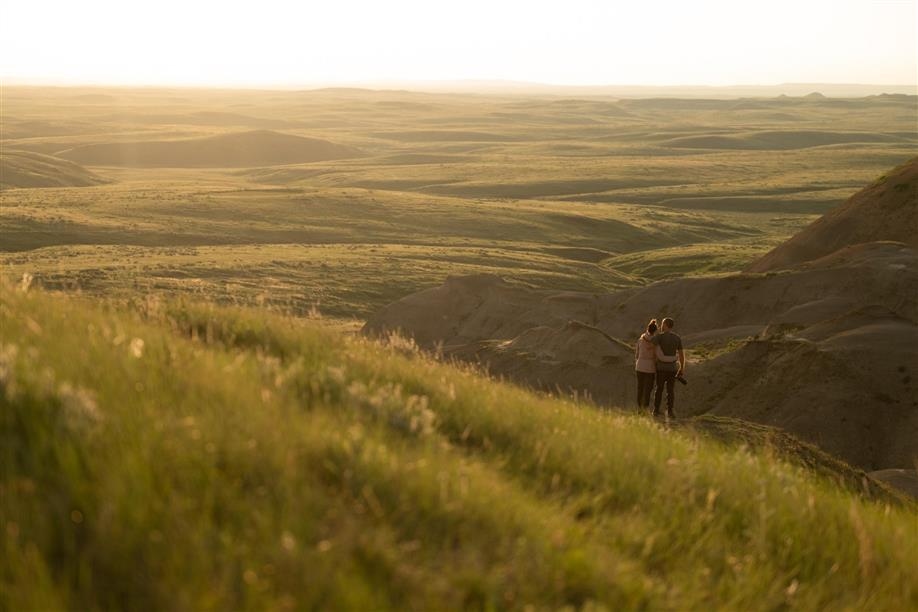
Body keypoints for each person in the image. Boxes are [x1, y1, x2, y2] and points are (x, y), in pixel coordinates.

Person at [651, 317, 685, 419]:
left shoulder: (659, 337)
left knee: (659, 389)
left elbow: (652, 347)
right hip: (672, 369)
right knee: (670, 390)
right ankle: (670, 411)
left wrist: (655, 360)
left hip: (661, 368)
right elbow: (681, 354)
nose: (661, 326)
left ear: (665, 325)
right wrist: (682, 368)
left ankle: (656, 410)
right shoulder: (677, 338)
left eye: (662, 324)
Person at [634, 319, 658, 411]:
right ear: (655, 331)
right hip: (650, 368)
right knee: (648, 389)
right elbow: (656, 355)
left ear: (647, 329)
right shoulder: (656, 342)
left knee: (640, 388)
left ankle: (639, 408)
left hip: (639, 366)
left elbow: (637, 354)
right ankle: (645, 408)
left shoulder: (640, 340)